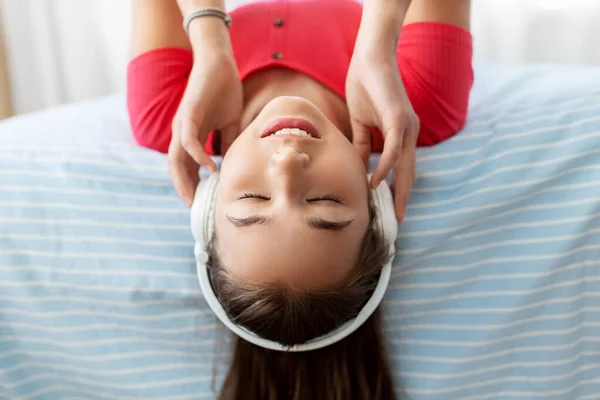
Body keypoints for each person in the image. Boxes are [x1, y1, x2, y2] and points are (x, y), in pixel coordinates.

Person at [128, 0, 472, 398]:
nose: (288, 164)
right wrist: (381, 37)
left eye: (254, 198)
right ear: (373, 202)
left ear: (210, 197)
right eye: (326, 201)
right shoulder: (420, 103)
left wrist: (208, 43)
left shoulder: (169, 119)